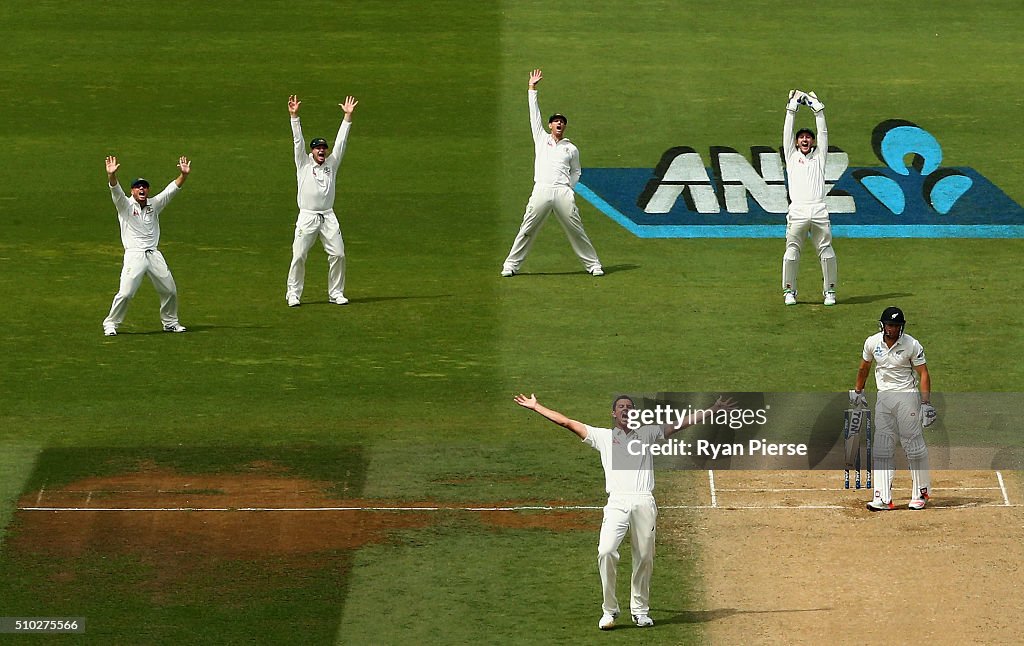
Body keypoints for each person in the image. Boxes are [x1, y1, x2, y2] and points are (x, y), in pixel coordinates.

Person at [513, 392, 734, 630]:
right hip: (617, 503)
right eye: (621, 406)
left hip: (644, 501)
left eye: (629, 406)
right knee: (606, 551)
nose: (625, 409)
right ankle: (610, 611)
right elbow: (566, 422)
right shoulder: (603, 437)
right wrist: (537, 407)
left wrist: (713, 409)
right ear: (614, 413)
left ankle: (640, 611)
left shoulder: (648, 433)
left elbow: (680, 424)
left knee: (644, 557)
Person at [501, 69, 603, 278]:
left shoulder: (571, 148)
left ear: (564, 126)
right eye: (555, 121)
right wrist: (532, 88)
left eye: (562, 121)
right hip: (542, 189)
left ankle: (593, 265)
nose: (558, 123)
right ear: (550, 125)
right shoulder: (541, 138)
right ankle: (511, 265)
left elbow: (576, 171)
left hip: (562, 192)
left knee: (576, 229)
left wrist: (568, 188)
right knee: (527, 227)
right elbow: (533, 115)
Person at [850, 306, 937, 511]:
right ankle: (882, 497)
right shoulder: (872, 342)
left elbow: (923, 373)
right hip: (884, 398)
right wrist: (858, 391)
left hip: (907, 397)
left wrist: (926, 403)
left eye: (897, 326)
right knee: (882, 446)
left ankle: (921, 492)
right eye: (890, 325)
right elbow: (864, 367)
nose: (893, 329)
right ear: (883, 325)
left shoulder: (911, 344)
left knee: (913, 445)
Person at [101, 155, 191, 336]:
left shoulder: (154, 204)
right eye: (137, 187)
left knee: (170, 290)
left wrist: (183, 175)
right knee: (126, 293)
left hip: (154, 254)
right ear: (132, 191)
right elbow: (116, 191)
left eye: (144, 186)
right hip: (135, 255)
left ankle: (170, 323)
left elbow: (171, 190)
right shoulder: (125, 205)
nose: (141, 189)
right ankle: (111, 324)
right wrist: (111, 176)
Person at [285, 94, 358, 307]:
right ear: (312, 151)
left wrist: (347, 117)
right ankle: (293, 293)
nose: (321, 151)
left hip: (328, 216)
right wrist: (294, 116)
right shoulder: (303, 164)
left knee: (339, 254)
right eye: (318, 148)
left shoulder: (331, 165)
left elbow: (342, 144)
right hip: (307, 216)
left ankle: (335, 293)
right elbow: (297, 142)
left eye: (324, 148)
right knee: (299, 256)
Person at [782, 89, 836, 306]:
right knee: (791, 252)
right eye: (801, 137)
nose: (805, 139)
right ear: (796, 142)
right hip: (797, 210)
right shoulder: (791, 156)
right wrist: (793, 106)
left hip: (819, 209)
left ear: (812, 142)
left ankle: (830, 292)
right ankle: (789, 291)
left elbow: (823, 133)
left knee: (827, 252)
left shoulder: (819, 157)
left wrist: (817, 108)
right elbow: (787, 131)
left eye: (808, 137)